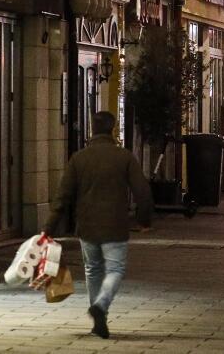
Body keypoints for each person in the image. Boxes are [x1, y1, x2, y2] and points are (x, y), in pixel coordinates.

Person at [44, 111, 153, 340]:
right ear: (112, 129)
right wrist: (144, 219)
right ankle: (101, 306)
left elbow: (63, 196)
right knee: (115, 269)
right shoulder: (124, 157)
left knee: (92, 269)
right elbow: (142, 191)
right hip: (115, 225)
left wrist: (49, 229)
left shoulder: (79, 158)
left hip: (87, 225)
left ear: (92, 129)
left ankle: (97, 320)